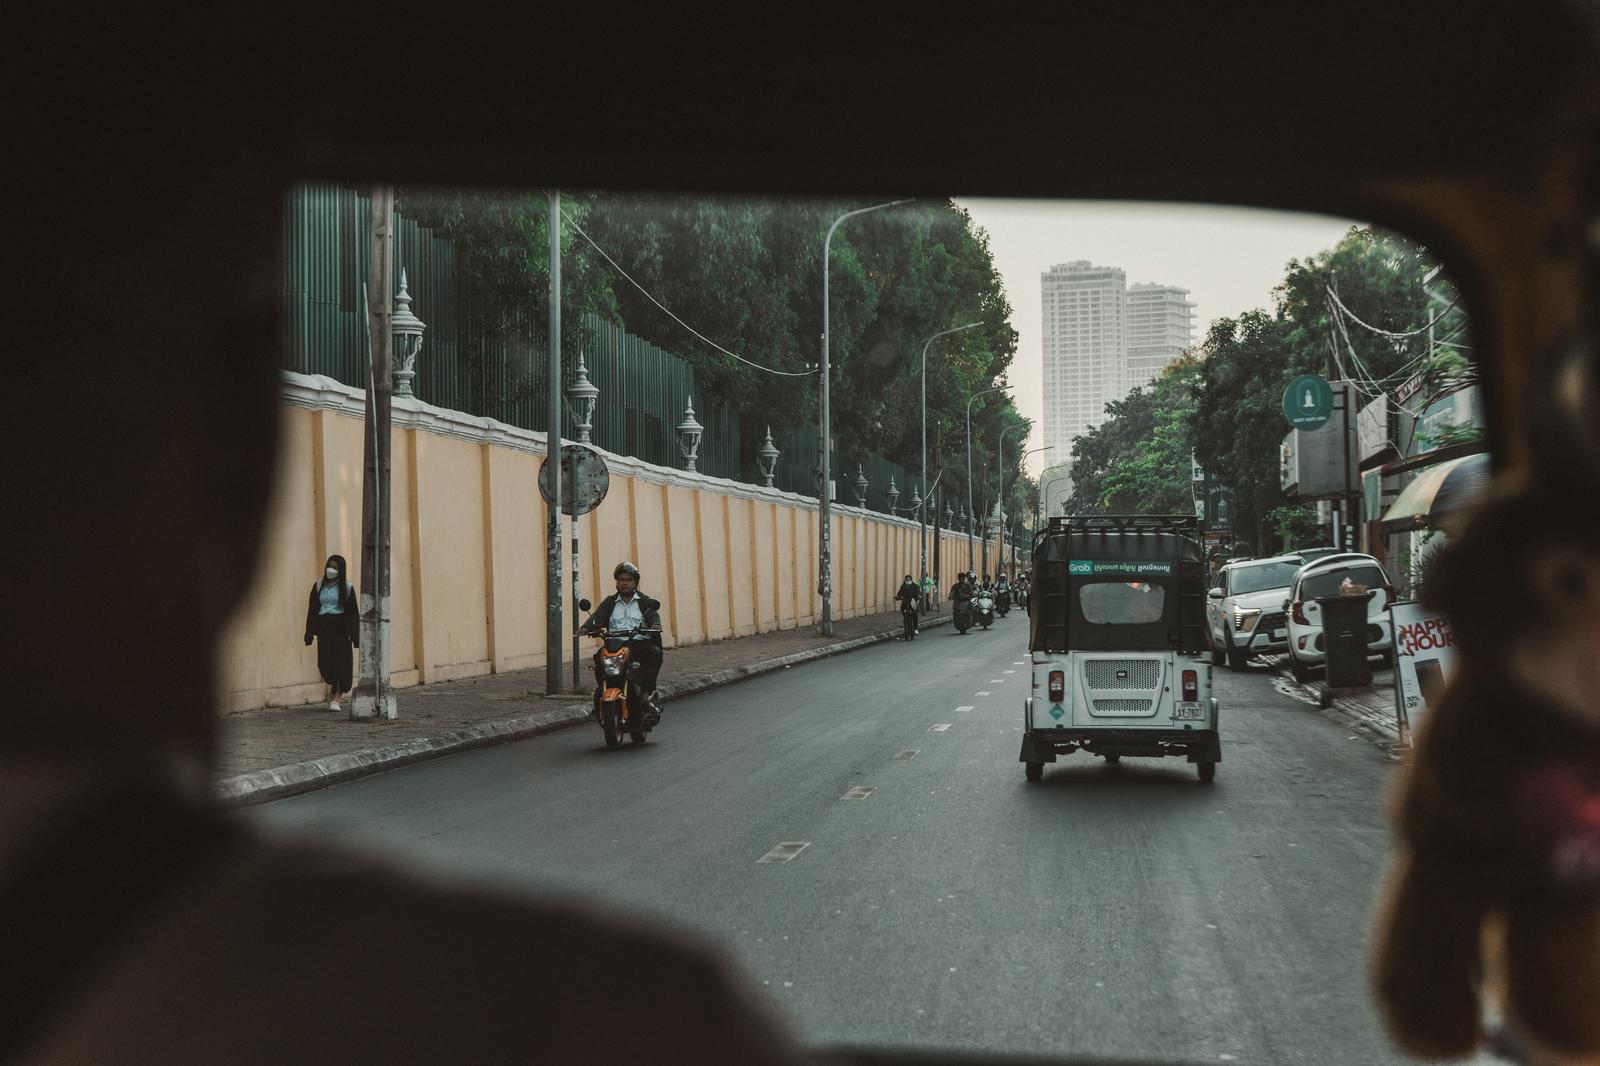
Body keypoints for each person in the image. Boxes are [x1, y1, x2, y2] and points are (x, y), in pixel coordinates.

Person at [3, 134, 799, 1063]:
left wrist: (633, 632)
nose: (622, 589)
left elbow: (646, 625)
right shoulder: (604, 1019)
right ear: (242, 452)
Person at [580, 562, 666, 719]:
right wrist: (587, 627)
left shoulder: (643, 601)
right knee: (598, 658)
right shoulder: (610, 602)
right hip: (615, 644)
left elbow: (652, 614)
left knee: (653, 654)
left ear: (635, 582)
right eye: (621, 579)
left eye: (628, 579)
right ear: (617, 582)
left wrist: (655, 624)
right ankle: (601, 695)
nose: (625, 582)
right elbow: (597, 617)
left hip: (638, 643)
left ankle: (646, 694)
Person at [302, 554, 359, 711]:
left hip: (340, 626)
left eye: (335, 567)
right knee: (325, 664)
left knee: (341, 662)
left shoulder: (347, 587)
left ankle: (338, 696)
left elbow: (353, 612)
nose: (331, 570)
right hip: (324, 626)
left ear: (340, 570)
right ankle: (334, 684)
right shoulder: (319, 586)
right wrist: (309, 632)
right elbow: (312, 609)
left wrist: (354, 635)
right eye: (330, 566)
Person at [895, 574, 921, 640]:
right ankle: (906, 631)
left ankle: (915, 628)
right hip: (905, 602)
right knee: (904, 613)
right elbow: (900, 593)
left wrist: (917, 597)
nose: (908, 581)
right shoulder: (903, 586)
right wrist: (898, 597)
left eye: (909, 580)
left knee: (915, 615)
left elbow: (918, 593)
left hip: (913, 602)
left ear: (911, 580)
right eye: (907, 580)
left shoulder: (915, 586)